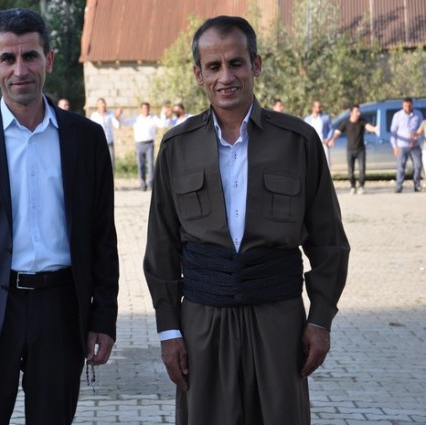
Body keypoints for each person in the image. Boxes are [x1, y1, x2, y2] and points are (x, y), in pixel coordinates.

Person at [143, 16, 350, 425]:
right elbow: (161, 246)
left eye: (236, 63)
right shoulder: (177, 148)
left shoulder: (298, 142)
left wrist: (320, 319)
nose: (226, 77)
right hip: (203, 321)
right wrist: (169, 330)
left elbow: (329, 242)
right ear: (198, 74)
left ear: (255, 65)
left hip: (279, 320)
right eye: (214, 66)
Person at [0, 8, 119, 425]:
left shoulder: (86, 138)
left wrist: (103, 318)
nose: (20, 70)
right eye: (8, 59)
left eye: (30, 56)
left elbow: (102, 237)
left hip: (61, 311)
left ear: (48, 59)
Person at [117, 102, 168, 191]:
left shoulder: (153, 118)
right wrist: (120, 114)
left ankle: (151, 183)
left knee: (150, 165)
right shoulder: (136, 119)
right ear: (141, 109)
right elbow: (126, 123)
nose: (145, 110)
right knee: (141, 164)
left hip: (149, 144)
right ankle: (142, 184)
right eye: (143, 108)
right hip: (139, 144)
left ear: (149, 109)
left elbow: (162, 124)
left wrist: (163, 113)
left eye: (147, 108)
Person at [330, 104, 379, 194]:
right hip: (350, 150)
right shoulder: (346, 123)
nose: (358, 113)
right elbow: (338, 132)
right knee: (350, 171)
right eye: (357, 111)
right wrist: (332, 140)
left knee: (362, 170)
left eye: (359, 111)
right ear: (351, 113)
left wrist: (374, 129)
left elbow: (368, 127)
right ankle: (353, 186)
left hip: (361, 150)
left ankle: (361, 187)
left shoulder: (362, 121)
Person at [390, 97, 423, 192]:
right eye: (405, 105)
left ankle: (417, 185)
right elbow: (393, 132)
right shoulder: (398, 115)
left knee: (418, 165)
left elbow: (421, 130)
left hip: (415, 145)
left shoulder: (418, 114)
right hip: (402, 145)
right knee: (401, 166)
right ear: (402, 105)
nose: (408, 107)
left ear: (412, 104)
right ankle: (399, 186)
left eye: (409, 105)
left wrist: (417, 139)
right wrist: (394, 146)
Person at [89, 97, 120, 167]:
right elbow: (91, 129)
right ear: (97, 105)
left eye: (104, 103)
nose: (103, 105)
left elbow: (117, 125)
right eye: (101, 103)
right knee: (99, 161)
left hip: (109, 141)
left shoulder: (110, 114)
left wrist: (117, 116)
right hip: (98, 142)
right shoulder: (94, 115)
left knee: (111, 162)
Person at [304, 100, 334, 167]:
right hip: (312, 144)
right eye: (317, 106)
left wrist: (328, 138)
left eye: (320, 106)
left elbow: (331, 129)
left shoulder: (326, 118)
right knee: (313, 163)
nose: (318, 108)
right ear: (313, 107)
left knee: (326, 163)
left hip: (323, 143)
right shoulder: (307, 119)